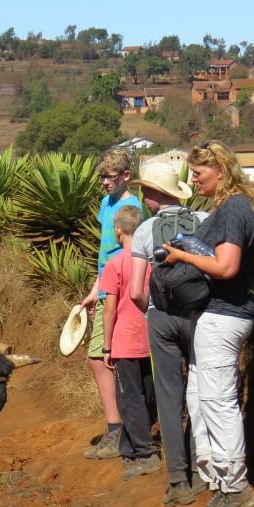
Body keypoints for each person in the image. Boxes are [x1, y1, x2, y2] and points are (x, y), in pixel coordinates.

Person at [161, 141, 254, 507]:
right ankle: (220, 485)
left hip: (225, 316)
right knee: (200, 398)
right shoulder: (224, 207)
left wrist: (183, 256)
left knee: (217, 403)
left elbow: (226, 267)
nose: (194, 181)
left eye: (198, 174)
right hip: (213, 316)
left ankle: (237, 489)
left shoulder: (234, 208)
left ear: (220, 170)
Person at [129, 162, 210, 507]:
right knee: (201, 393)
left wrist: (154, 309)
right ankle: (203, 473)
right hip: (199, 317)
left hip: (161, 319)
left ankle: (178, 482)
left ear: (159, 195)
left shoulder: (146, 230)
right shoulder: (204, 223)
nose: (143, 196)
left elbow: (134, 290)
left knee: (169, 398)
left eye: (146, 191)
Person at [80, 150, 143, 460]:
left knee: (102, 357)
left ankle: (118, 430)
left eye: (111, 177)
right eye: (102, 177)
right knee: (101, 358)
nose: (105, 182)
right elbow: (104, 255)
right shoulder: (107, 204)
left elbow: (128, 254)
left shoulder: (132, 207)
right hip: (107, 287)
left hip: (119, 288)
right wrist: (96, 289)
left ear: (126, 176)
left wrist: (109, 291)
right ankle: (117, 429)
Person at [100, 205, 159, 480]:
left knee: (129, 400)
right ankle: (131, 448)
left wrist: (107, 346)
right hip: (152, 338)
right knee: (147, 395)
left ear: (117, 231)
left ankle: (145, 453)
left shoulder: (114, 264)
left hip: (124, 341)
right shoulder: (152, 261)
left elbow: (109, 309)